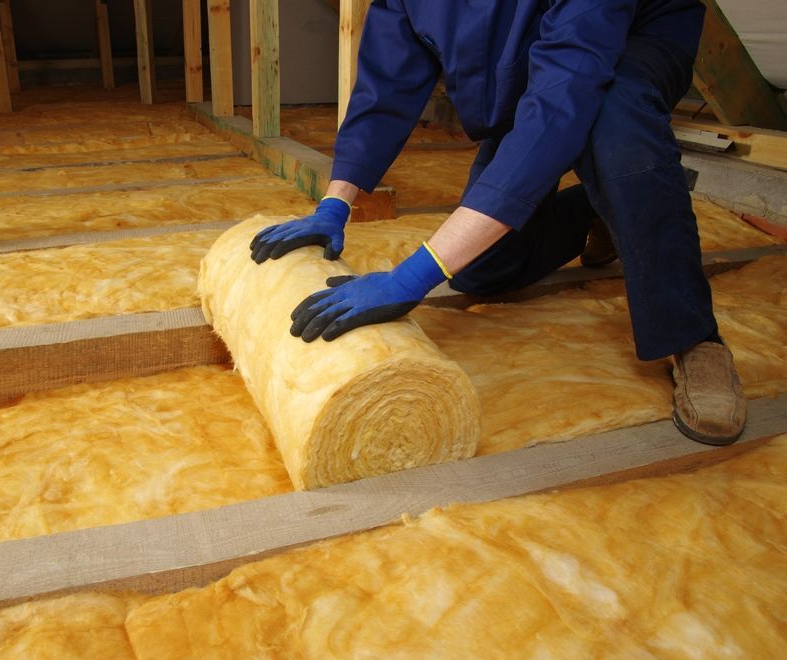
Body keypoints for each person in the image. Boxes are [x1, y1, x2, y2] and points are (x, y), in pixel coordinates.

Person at [249, 0, 746, 445]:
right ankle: (601, 207)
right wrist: (335, 203)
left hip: (633, 35)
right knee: (481, 269)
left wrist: (414, 275)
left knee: (616, 116)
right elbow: (385, 89)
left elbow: (561, 100)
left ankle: (693, 338)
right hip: (536, 60)